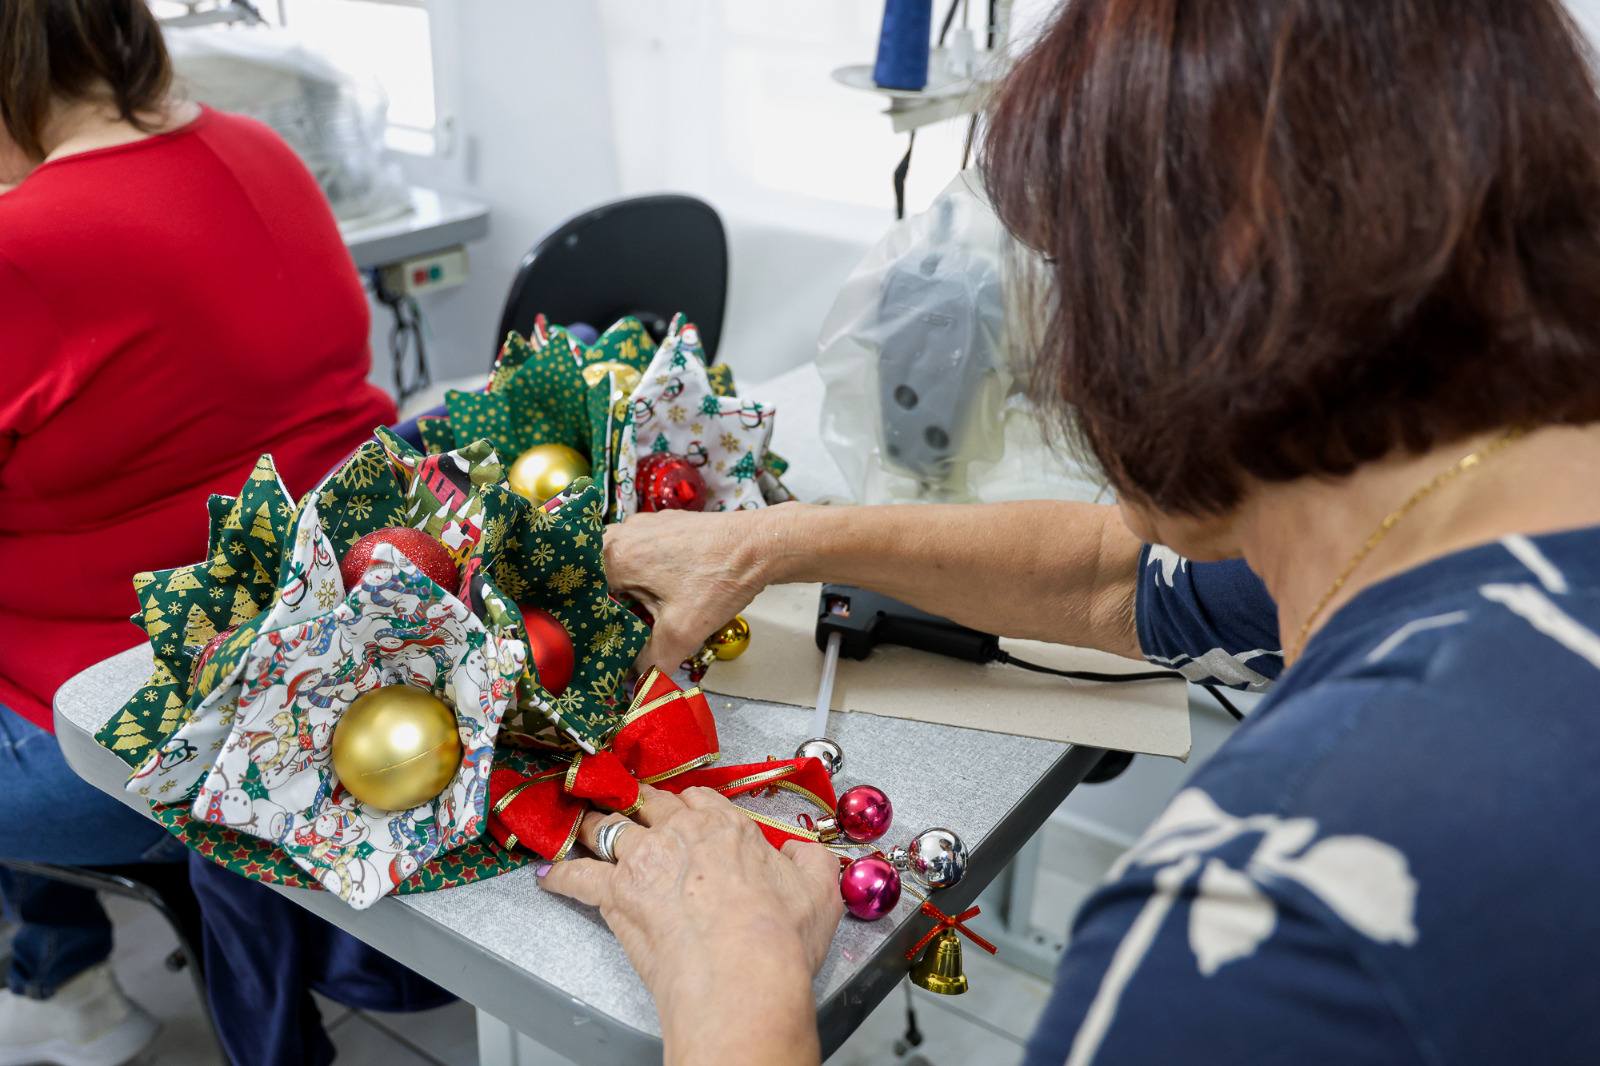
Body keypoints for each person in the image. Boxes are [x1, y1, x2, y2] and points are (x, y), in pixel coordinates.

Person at [542, 1, 1600, 1063]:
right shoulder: (1450, 513)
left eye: (1074, 282)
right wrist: (772, 543)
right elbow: (1113, 578)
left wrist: (738, 981)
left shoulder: (1269, 922)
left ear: (1227, 277)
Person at [0, 3, 416, 1064]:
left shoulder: (24, 249)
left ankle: (64, 985)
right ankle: (63, 972)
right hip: (324, 668)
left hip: (126, 731)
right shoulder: (254, 148)